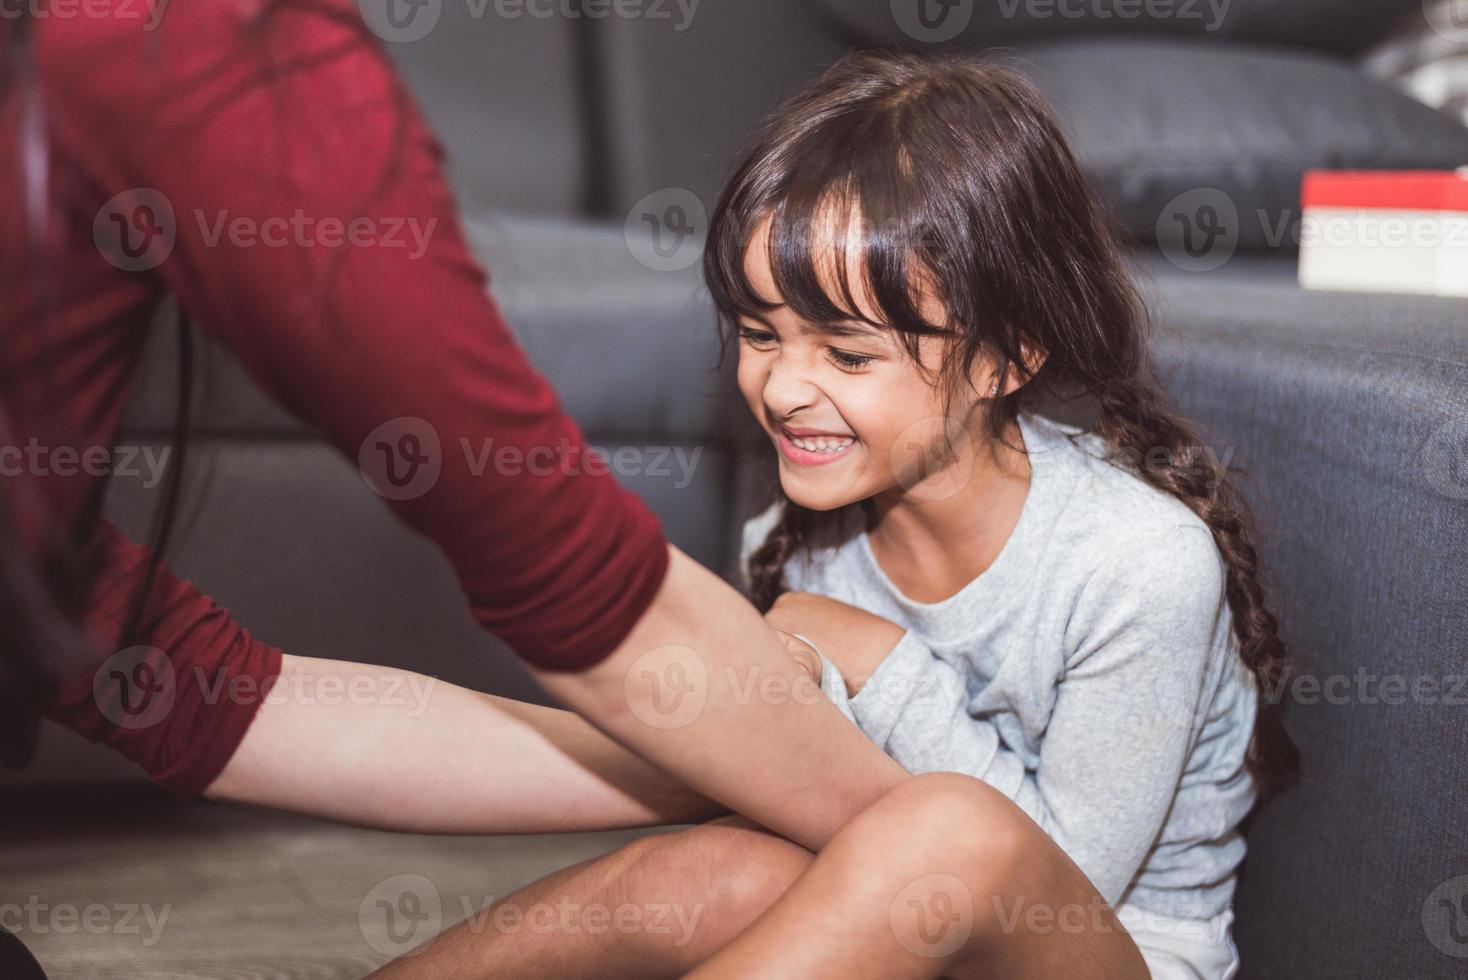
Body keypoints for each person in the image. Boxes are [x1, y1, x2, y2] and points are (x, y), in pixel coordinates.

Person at [0, 2, 917, 971]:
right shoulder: (183, 36)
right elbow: (580, 584)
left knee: (734, 880)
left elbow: (193, 689)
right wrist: (973, 863)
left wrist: (717, 769)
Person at [371, 51, 1303, 979]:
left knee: (947, 830)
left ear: (1005, 360)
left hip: (1100, 954)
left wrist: (874, 659)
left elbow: (1039, 881)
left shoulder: (1138, 562)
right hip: (900, 933)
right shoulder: (799, 539)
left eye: (848, 356)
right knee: (716, 868)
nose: (781, 388)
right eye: (759, 335)